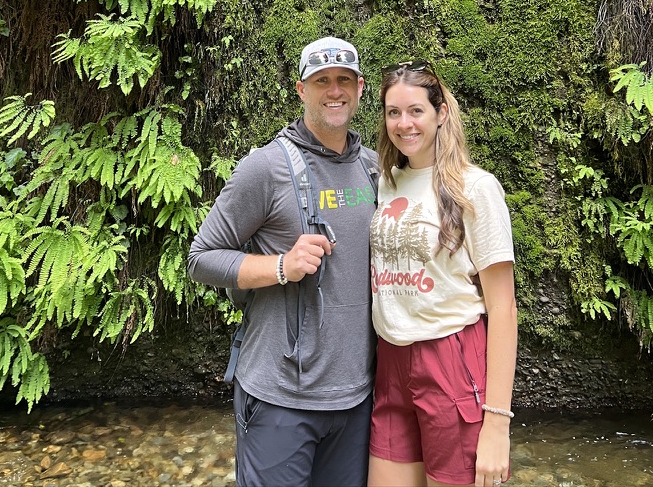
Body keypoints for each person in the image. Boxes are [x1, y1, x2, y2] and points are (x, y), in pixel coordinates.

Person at [187, 36, 379, 487]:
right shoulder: (265, 168)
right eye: (322, 81)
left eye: (344, 80)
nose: (335, 91)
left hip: (355, 398)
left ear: (360, 88)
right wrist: (281, 266)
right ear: (300, 89)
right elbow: (201, 258)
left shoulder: (374, 168)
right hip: (280, 398)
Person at [367, 60, 517, 487]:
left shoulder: (475, 188)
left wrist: (497, 424)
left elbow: (503, 307)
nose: (404, 123)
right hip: (391, 361)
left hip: (451, 358)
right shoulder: (385, 182)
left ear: (441, 113)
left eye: (416, 110)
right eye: (393, 112)